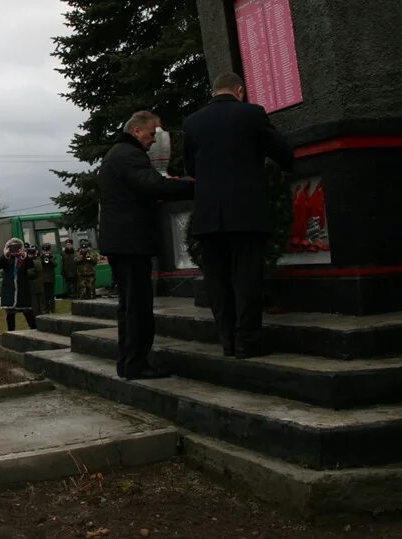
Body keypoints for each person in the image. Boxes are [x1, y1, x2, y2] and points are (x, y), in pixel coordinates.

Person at [183, 72, 294, 359]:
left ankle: (227, 342)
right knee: (246, 278)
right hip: (245, 212)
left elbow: (191, 168)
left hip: (208, 217)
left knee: (218, 283)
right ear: (240, 90)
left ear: (214, 91)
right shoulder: (252, 114)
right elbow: (282, 151)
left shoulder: (192, 122)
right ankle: (248, 342)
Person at [98, 111, 194, 380]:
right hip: (131, 243)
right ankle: (136, 364)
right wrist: (191, 187)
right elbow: (151, 184)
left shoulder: (117, 154)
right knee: (137, 306)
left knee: (129, 306)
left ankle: (129, 362)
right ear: (137, 131)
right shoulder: (129, 155)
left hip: (122, 242)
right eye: (152, 134)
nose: (153, 141)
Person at [0, 238, 34, 330]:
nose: (14, 249)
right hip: (10, 290)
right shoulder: (7, 258)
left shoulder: (23, 258)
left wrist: (24, 255)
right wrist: (5, 254)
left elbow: (31, 265)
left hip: (22, 290)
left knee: (28, 313)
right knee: (10, 315)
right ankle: (11, 333)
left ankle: (35, 330)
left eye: (16, 246)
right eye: (12, 246)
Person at [38, 244, 58, 313]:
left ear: (49, 250)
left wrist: (49, 258)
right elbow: (39, 265)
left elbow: (55, 264)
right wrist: (43, 257)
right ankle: (45, 309)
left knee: (51, 295)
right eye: (44, 251)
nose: (46, 252)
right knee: (44, 296)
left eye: (47, 251)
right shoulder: (40, 257)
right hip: (43, 279)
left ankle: (52, 309)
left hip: (50, 279)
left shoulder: (52, 256)